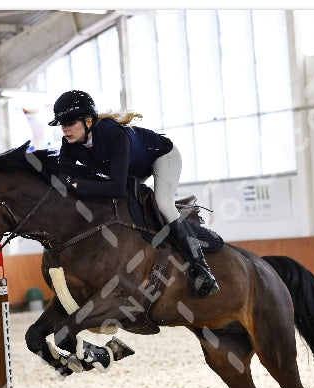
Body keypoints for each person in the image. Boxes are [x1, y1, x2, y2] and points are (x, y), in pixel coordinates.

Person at [48, 89, 219, 297]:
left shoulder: (114, 135)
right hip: (130, 169)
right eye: (62, 125)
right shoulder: (70, 141)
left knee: (163, 203)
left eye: (69, 123)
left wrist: (77, 185)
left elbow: (115, 188)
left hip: (162, 157)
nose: (65, 130)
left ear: (89, 121)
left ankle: (202, 269)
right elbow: (62, 175)